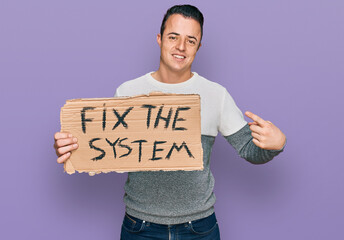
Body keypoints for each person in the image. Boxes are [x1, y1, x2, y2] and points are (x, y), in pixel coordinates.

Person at [54, 4, 286, 240]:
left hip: (199, 228)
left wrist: (275, 146)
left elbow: (249, 150)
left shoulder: (216, 95)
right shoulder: (128, 92)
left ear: (199, 46)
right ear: (159, 38)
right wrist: (72, 148)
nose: (181, 47)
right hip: (140, 227)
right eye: (173, 37)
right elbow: (106, 149)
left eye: (191, 40)